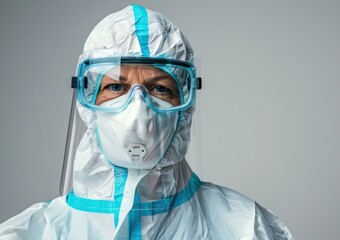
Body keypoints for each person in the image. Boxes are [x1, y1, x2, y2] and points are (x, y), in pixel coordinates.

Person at [0, 4, 294, 239]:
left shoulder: (243, 227)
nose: (138, 107)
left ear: (184, 109)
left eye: (160, 88)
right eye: (115, 87)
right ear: (86, 103)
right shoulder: (32, 232)